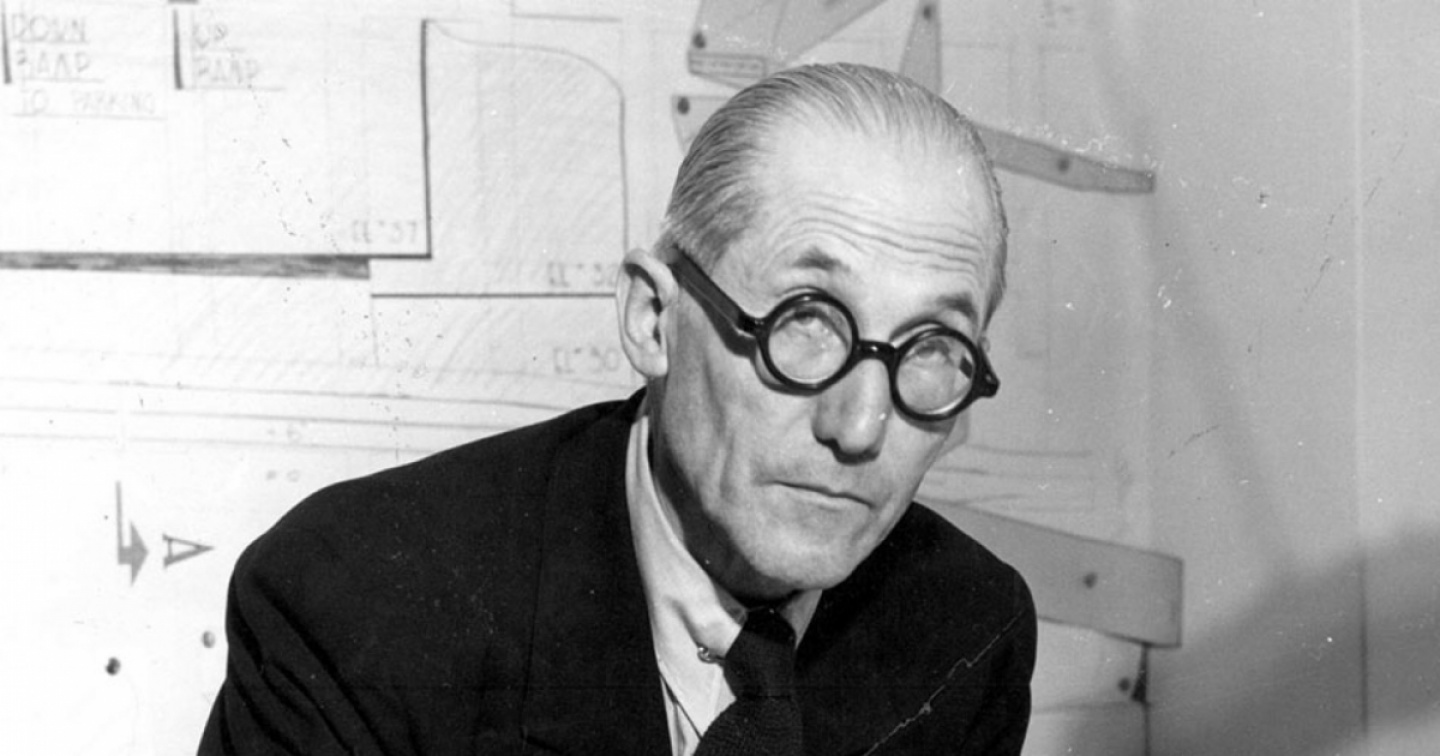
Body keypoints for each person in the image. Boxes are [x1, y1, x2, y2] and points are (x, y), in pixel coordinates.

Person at [199, 62, 1035, 756]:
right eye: (805, 322)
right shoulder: (358, 606)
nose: (858, 428)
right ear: (652, 318)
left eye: (933, 349)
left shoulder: (968, 629)